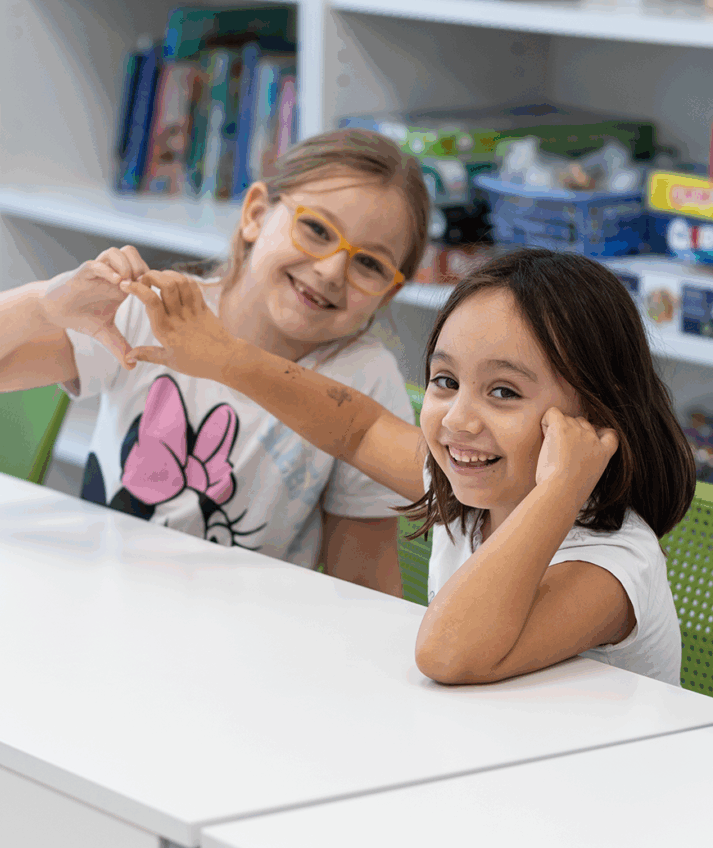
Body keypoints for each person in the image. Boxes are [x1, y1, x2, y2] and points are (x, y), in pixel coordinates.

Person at [117, 247, 696, 686]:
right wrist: (224, 358)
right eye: (446, 380)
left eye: (503, 392)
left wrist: (563, 488)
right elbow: (357, 428)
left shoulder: (610, 565)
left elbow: (448, 654)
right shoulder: (479, 486)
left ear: (593, 417)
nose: (458, 419)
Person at [0, 129, 430, 595]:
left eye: (369, 264)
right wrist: (41, 303)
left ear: (388, 293)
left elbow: (362, 578)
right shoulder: (150, 312)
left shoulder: (364, 378)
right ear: (255, 214)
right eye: (316, 229)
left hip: (243, 642)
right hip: (101, 604)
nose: (332, 270)